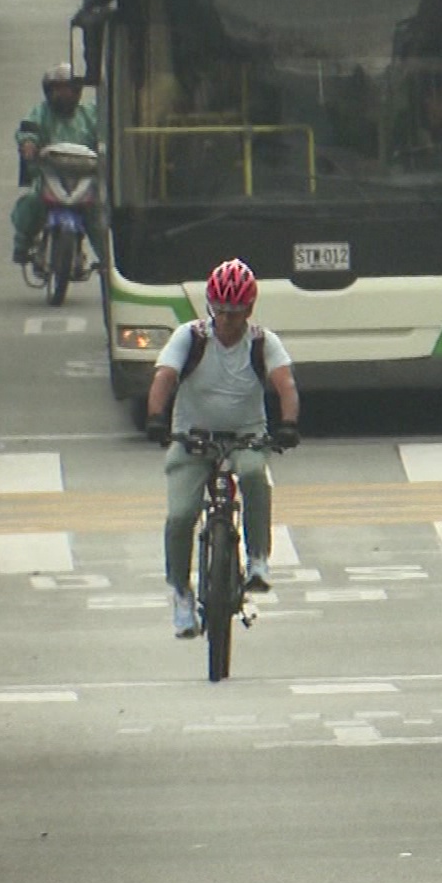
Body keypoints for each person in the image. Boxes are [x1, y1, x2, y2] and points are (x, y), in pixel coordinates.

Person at [144, 259, 301, 638]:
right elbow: (165, 376)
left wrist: (288, 425)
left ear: (250, 309)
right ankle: (181, 595)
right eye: (221, 311)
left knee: (252, 474)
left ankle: (258, 559)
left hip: (246, 434)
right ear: (210, 307)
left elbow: (285, 385)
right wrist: (155, 417)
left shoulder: (263, 342)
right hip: (193, 436)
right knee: (181, 515)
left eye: (236, 312)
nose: (228, 321)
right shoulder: (191, 336)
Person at [11, 63, 103, 265]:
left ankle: (109, 260)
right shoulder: (40, 112)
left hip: (84, 176)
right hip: (48, 174)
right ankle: (22, 244)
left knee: (98, 213)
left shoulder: (90, 113)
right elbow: (28, 129)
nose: (63, 94)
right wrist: (28, 143)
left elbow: (104, 135)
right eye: (57, 89)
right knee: (32, 203)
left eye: (68, 88)